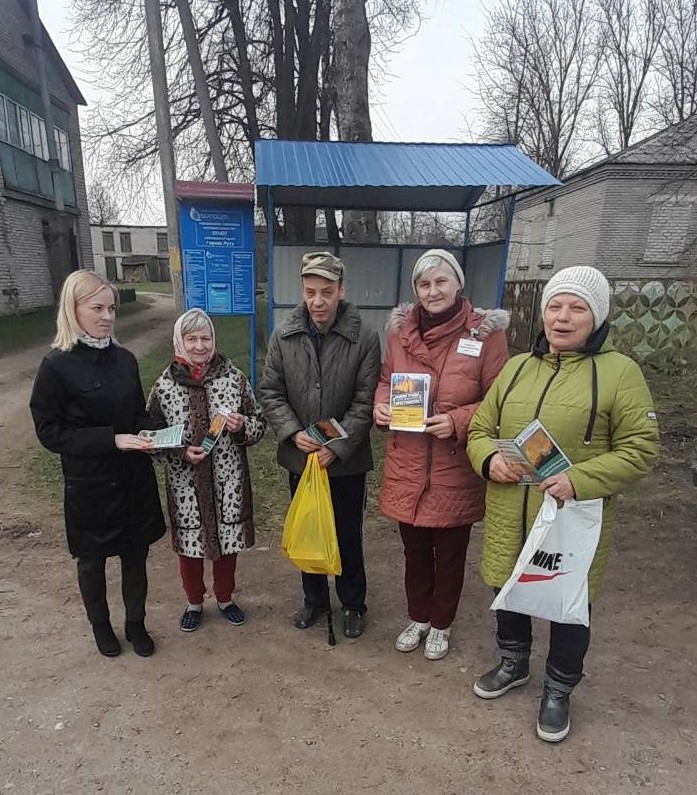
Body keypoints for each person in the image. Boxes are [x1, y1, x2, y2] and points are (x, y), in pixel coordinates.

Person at [466, 265, 659, 742]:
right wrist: (489, 459)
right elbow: (480, 429)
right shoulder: (516, 368)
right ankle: (513, 662)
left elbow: (640, 449)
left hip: (573, 517)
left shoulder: (620, 373)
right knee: (509, 587)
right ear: (543, 313)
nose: (563, 317)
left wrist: (579, 479)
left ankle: (559, 688)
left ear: (597, 317)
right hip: (511, 511)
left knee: (569, 603)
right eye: (555, 306)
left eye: (577, 308)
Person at [373, 249, 509, 661]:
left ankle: (441, 624)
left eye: (441, 281)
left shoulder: (484, 335)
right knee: (414, 552)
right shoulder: (400, 332)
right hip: (408, 464)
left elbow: (500, 400)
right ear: (416, 289)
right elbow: (386, 379)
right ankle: (418, 617)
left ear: (458, 284)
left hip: (453, 465)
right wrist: (381, 406)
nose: (432, 291)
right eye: (424, 284)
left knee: (450, 555)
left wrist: (458, 421)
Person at [30, 271, 166, 658]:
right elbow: (50, 432)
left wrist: (155, 433)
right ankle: (101, 626)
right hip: (90, 484)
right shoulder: (56, 366)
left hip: (132, 479)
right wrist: (110, 440)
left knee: (135, 555)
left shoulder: (124, 359)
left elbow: (136, 414)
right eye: (97, 308)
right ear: (73, 309)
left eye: (111, 308)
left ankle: (136, 624)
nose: (107, 317)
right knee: (92, 562)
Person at [259, 251, 381, 639]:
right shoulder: (284, 334)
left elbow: (365, 400)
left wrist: (338, 446)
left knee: (347, 534)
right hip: (302, 458)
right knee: (309, 527)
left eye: (327, 292)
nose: (318, 301)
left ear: (341, 290)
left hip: (346, 461)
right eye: (310, 292)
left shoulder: (364, 337)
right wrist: (293, 432)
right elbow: (271, 390)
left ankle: (352, 603)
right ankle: (314, 600)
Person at [147, 308, 265, 632]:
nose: (200, 345)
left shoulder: (234, 378)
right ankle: (194, 602)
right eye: (192, 339)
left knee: (228, 542)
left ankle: (225, 598)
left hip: (228, 480)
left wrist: (242, 426)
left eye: (206, 337)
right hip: (185, 484)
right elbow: (151, 435)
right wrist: (180, 451)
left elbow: (259, 422)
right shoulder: (164, 386)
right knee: (189, 546)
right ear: (179, 341)